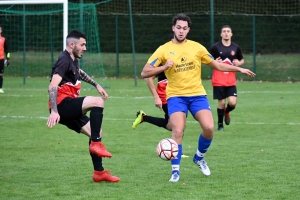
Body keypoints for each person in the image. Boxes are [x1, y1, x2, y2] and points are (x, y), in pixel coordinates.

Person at [140, 13, 255, 182]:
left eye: (184, 28)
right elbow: (145, 72)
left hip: (197, 95)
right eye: (178, 27)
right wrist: (164, 66)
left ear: (188, 30)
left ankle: (199, 157)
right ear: (173, 28)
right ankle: (175, 171)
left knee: (209, 127)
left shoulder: (197, 48)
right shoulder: (163, 49)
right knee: (177, 130)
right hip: (176, 96)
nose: (181, 31)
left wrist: (239, 69)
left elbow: (217, 65)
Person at [46, 30, 120, 183]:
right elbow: (52, 86)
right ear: (72, 44)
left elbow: (79, 73)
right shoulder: (64, 60)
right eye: (82, 45)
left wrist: (96, 84)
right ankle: (96, 144)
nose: (85, 48)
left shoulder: (72, 59)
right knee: (98, 102)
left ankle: (99, 173)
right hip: (62, 105)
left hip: (68, 104)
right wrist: (54, 111)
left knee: (96, 131)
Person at [210, 25, 245, 131]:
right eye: (224, 31)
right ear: (221, 34)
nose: (226, 33)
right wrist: (215, 62)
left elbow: (241, 60)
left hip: (231, 80)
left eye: (228, 31)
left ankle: (227, 111)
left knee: (232, 103)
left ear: (231, 34)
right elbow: (207, 60)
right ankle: (220, 125)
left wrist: (239, 63)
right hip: (218, 80)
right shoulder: (215, 47)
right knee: (221, 102)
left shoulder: (235, 47)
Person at [0, 25, 10, 93]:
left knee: (0, 74)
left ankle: (0, 88)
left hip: (1, 59)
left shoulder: (3, 39)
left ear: (1, 30)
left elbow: (7, 50)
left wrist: (8, 58)